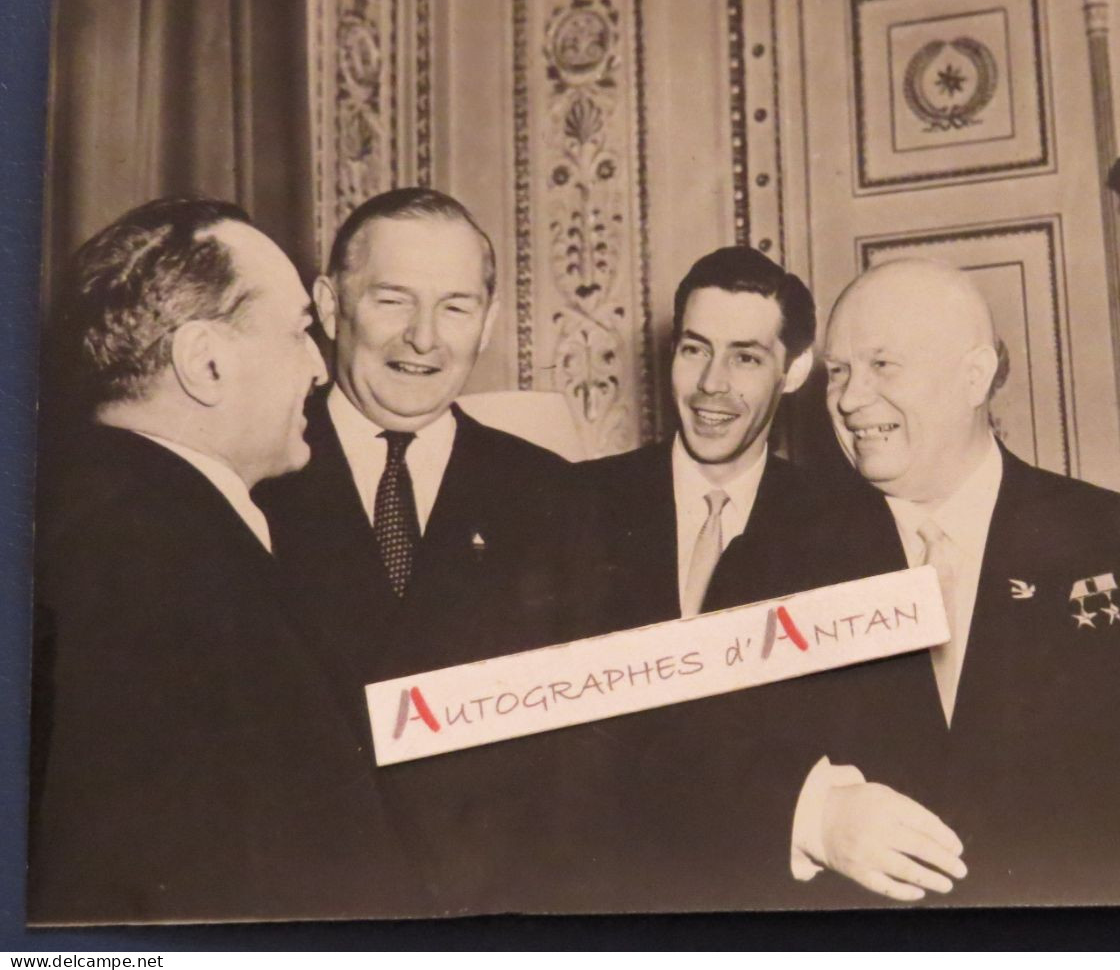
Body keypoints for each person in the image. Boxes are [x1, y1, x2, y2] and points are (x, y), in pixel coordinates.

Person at [774, 258, 1120, 907]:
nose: (850, 399)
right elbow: (713, 762)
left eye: (882, 365)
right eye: (838, 371)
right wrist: (814, 817)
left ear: (974, 376)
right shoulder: (782, 566)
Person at [29, 198, 427, 923]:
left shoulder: (102, 524)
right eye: (301, 332)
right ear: (205, 362)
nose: (319, 365)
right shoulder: (157, 560)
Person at [254, 187, 578, 912]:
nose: (424, 338)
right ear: (331, 305)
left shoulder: (552, 494)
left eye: (455, 307)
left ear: (488, 322)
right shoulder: (249, 471)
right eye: (393, 300)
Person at [573, 245, 884, 632]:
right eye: (695, 350)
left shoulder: (848, 530)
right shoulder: (576, 501)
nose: (711, 383)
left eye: (745, 358)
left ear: (794, 370)